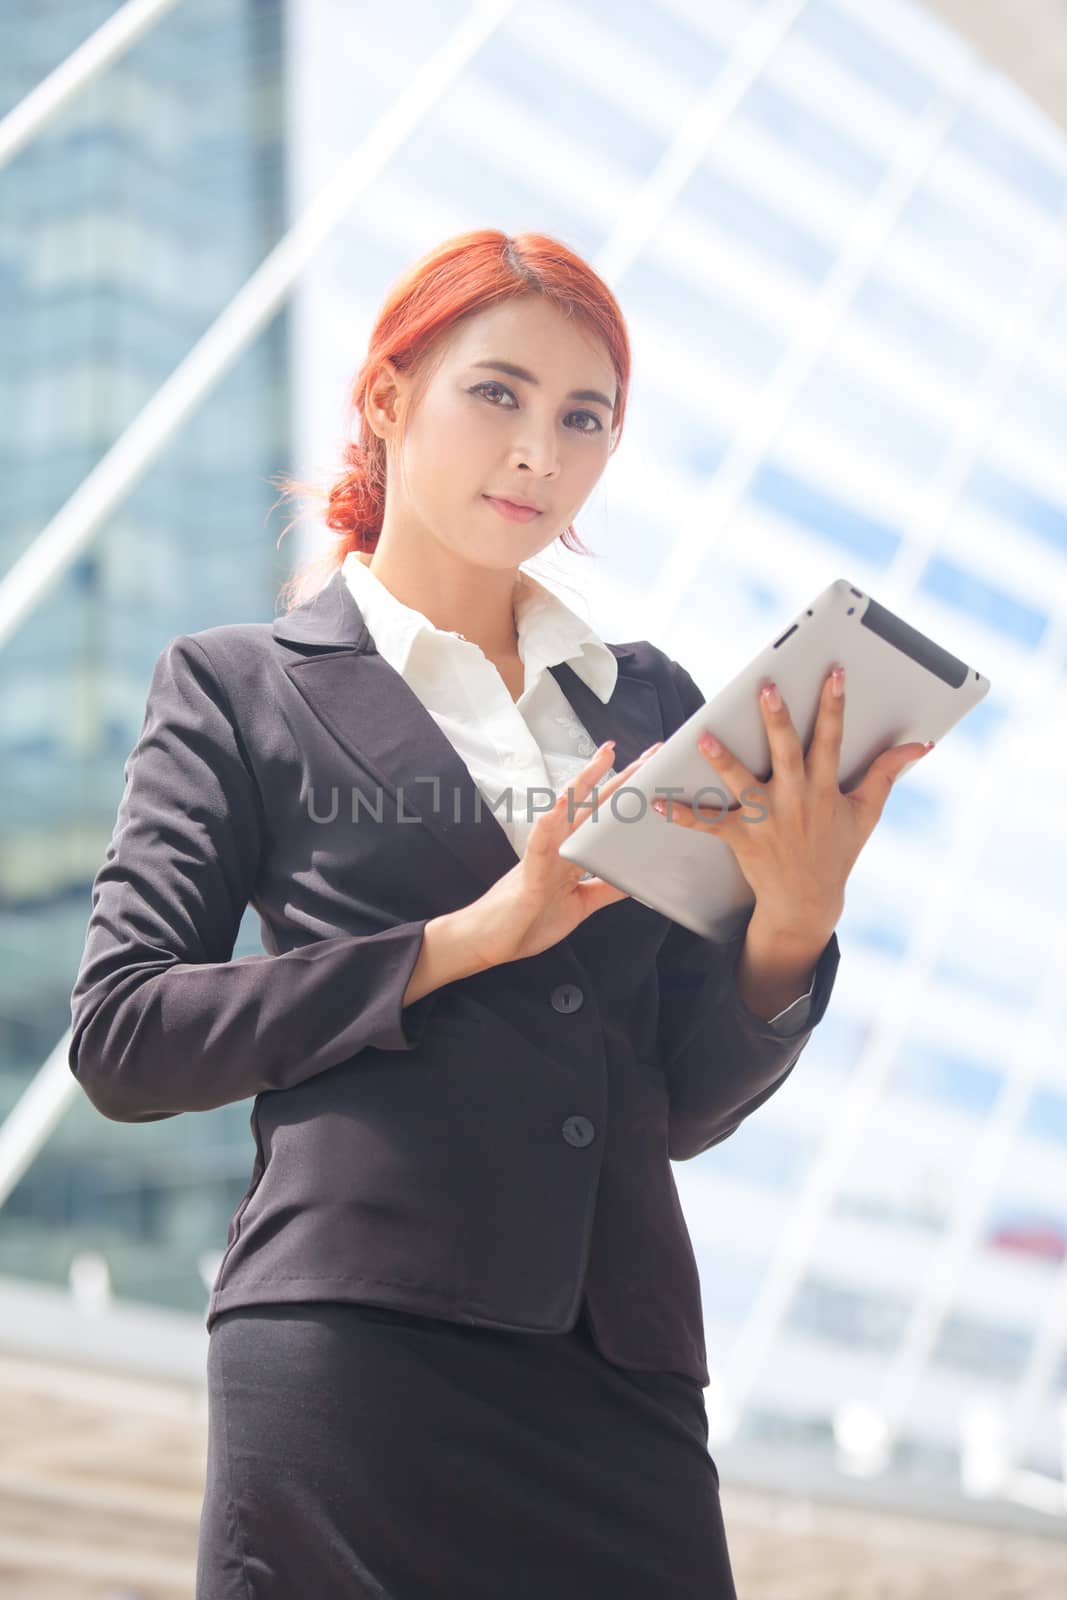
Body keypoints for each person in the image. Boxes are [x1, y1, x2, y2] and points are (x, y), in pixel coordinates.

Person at [68, 229, 928, 1598]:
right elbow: (124, 1036)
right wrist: (474, 935)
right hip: (356, 1348)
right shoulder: (240, 690)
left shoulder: (652, 706)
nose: (541, 449)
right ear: (389, 399)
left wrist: (795, 923)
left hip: (620, 1361)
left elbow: (684, 1107)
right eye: (499, 394)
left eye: (584, 418)